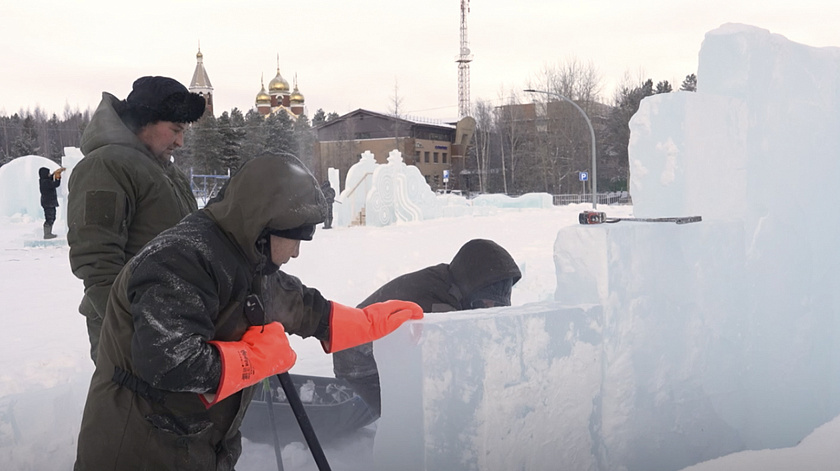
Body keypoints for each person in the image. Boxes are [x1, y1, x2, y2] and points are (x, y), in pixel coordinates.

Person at [73, 153, 423, 471]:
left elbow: (297, 303)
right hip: (140, 446)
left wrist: (363, 323)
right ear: (265, 225)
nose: (297, 253)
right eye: (296, 238)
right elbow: (168, 362)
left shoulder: (244, 254)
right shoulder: (178, 261)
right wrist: (252, 360)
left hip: (197, 441)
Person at [67, 76, 205, 364]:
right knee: (134, 407)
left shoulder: (164, 170)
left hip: (172, 321)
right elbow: (96, 258)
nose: (180, 142)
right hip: (132, 330)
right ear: (146, 121)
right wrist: (132, 326)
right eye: (175, 130)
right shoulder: (106, 166)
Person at [333, 238, 521, 416]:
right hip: (358, 359)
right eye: (486, 301)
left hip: (375, 346)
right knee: (411, 415)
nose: (490, 308)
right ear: (473, 285)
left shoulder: (450, 281)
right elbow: (446, 366)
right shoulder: (438, 309)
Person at [38, 166, 65, 239]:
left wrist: (54, 173)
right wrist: (58, 177)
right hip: (48, 203)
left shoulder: (43, 180)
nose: (49, 174)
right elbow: (55, 184)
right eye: (48, 173)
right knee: (49, 218)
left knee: (52, 217)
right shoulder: (45, 182)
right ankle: (47, 234)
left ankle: (48, 232)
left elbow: (49, 178)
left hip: (48, 202)